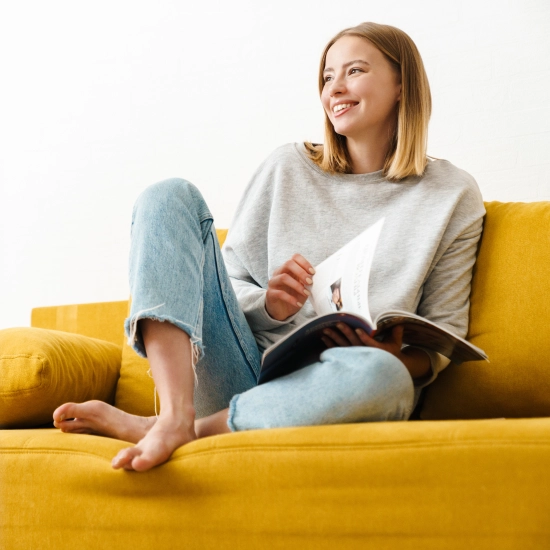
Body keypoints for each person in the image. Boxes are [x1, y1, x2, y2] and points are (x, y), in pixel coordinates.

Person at [52, 22, 485, 472]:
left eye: (354, 71)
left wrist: (397, 357)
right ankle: (176, 414)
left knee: (385, 377)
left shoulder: (452, 195)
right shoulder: (287, 168)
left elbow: (442, 339)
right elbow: (228, 281)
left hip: (336, 388)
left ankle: (177, 429)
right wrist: (270, 305)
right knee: (167, 195)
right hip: (240, 369)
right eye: (327, 76)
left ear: (402, 85)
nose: (335, 87)